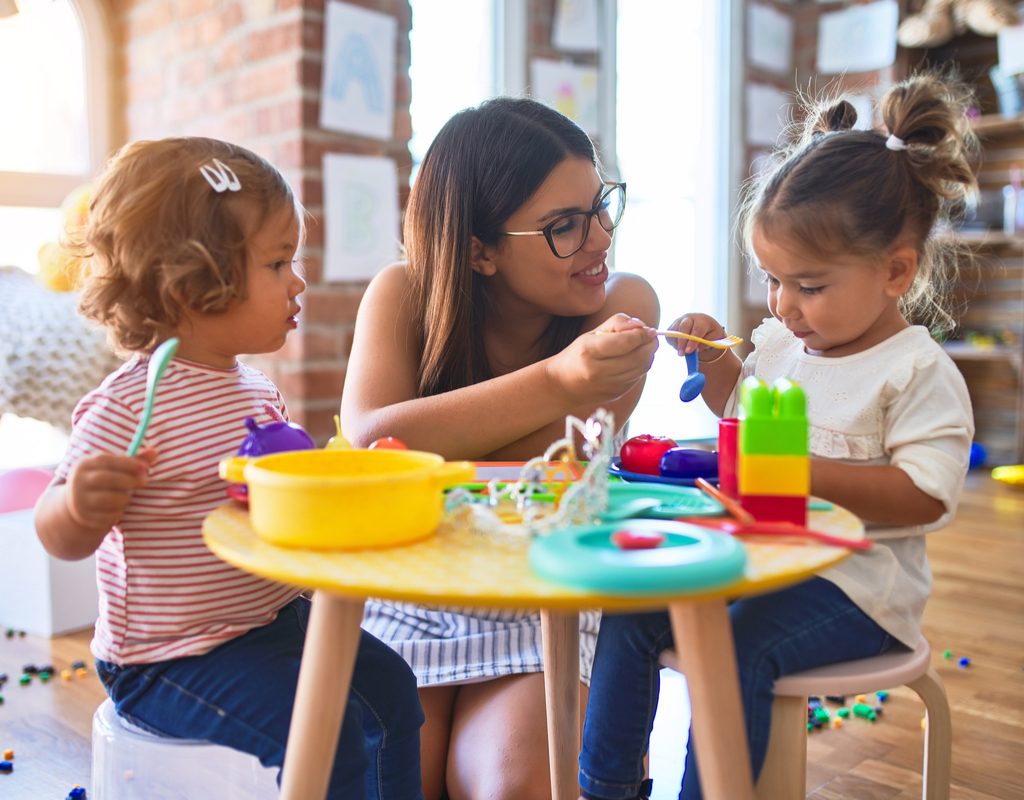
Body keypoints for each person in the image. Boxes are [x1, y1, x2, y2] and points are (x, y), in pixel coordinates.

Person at [577, 73, 978, 800]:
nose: (785, 307)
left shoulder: (914, 370)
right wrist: (717, 361)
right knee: (629, 609)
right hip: (758, 561)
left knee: (736, 648)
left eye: (810, 286)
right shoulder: (783, 345)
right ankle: (605, 789)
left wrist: (795, 472)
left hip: (857, 590)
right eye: (773, 281)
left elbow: (926, 497)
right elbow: (743, 417)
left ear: (896, 270)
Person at [32, 137, 425, 799]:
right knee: (324, 741)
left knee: (392, 691)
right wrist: (78, 507)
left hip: (270, 623)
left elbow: (274, 496)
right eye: (278, 263)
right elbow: (57, 534)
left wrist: (335, 479)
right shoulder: (128, 404)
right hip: (170, 658)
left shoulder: (254, 389)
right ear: (196, 283)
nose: (297, 280)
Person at [341, 97, 660, 800]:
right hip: (409, 588)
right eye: (564, 226)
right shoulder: (400, 295)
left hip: (545, 595)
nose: (601, 237)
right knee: (384, 782)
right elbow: (371, 443)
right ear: (478, 249)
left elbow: (552, 468)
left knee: (510, 785)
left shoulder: (622, 307)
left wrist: (432, 439)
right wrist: (557, 379)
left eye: (601, 206)